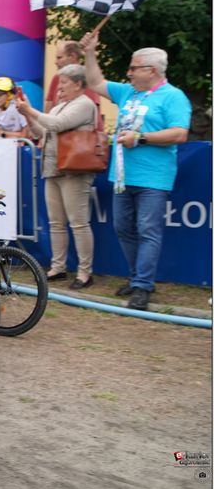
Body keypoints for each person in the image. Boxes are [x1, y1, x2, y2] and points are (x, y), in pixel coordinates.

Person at [80, 31, 192, 310]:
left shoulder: (173, 96)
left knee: (147, 230)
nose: (129, 72)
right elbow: (95, 82)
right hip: (122, 176)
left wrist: (140, 138)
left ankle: (142, 285)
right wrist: (90, 52)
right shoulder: (127, 91)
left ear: (151, 70)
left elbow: (180, 133)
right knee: (122, 228)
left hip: (153, 177)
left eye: (134, 68)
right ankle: (137, 278)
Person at [17, 64, 98, 289]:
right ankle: (58, 267)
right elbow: (42, 133)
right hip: (53, 168)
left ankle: (85, 272)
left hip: (74, 170)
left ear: (78, 84)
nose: (59, 87)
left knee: (78, 223)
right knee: (56, 223)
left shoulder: (85, 103)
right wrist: (27, 115)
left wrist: (30, 110)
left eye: (64, 82)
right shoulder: (59, 106)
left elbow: (57, 124)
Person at [45, 41, 104, 129]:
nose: (55, 62)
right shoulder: (56, 78)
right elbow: (49, 108)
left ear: (72, 57)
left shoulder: (86, 78)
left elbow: (90, 112)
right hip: (58, 133)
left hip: (80, 134)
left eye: (59, 57)